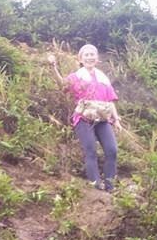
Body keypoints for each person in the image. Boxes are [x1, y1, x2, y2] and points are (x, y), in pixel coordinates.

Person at [48, 45, 121, 192]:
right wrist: (53, 67)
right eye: (86, 55)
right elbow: (63, 84)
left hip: (102, 119)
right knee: (91, 151)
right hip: (83, 119)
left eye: (92, 54)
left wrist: (117, 120)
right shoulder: (77, 76)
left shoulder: (103, 78)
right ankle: (96, 185)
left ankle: (110, 186)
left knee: (112, 150)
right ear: (80, 59)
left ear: (97, 58)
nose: (90, 57)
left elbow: (110, 101)